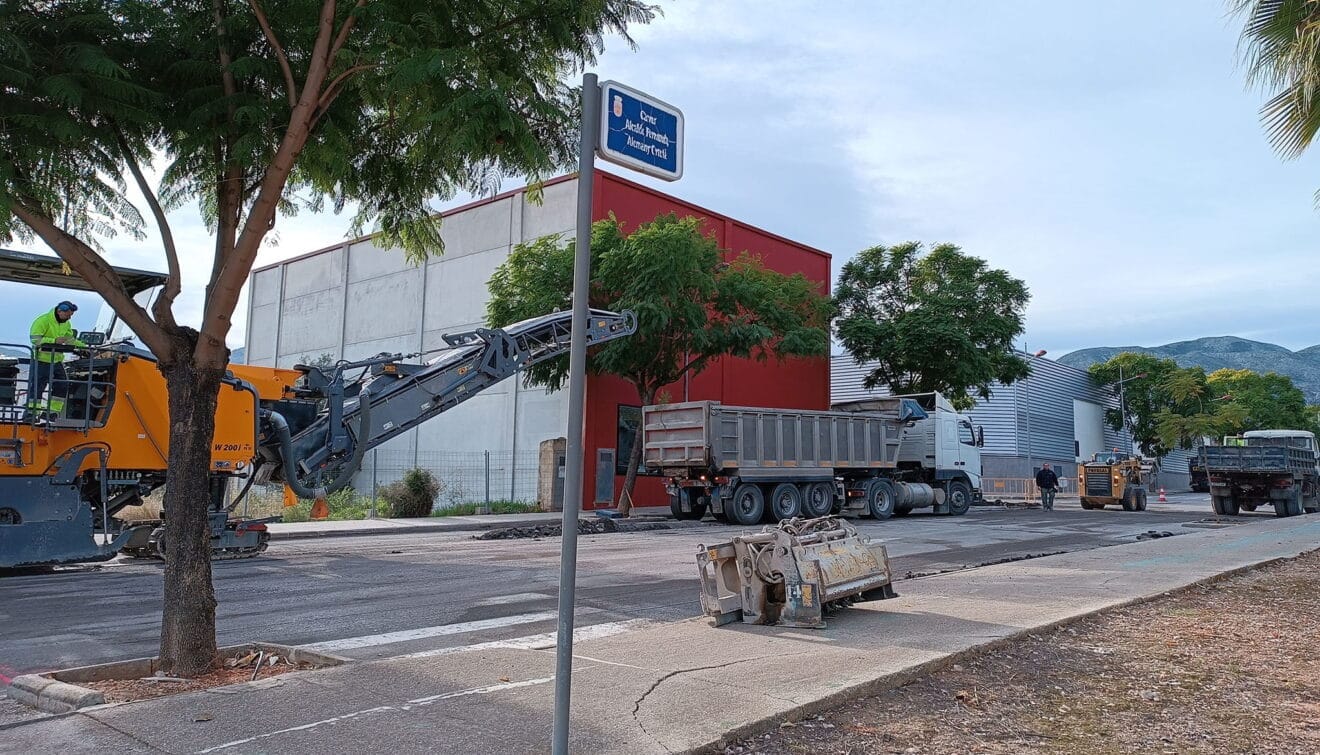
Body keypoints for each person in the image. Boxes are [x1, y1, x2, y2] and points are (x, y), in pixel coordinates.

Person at [28, 300, 85, 417]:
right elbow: (35, 339)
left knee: (63, 385)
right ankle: (31, 415)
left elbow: (70, 339)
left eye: (71, 315)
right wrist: (53, 341)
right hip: (41, 360)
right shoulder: (43, 321)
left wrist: (85, 347)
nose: (69, 318)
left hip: (56, 360)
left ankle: (51, 414)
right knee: (37, 388)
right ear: (60, 311)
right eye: (68, 315)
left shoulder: (66, 324)